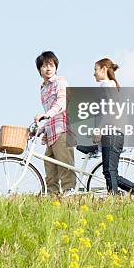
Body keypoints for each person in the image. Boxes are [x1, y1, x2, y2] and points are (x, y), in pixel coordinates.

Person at [93, 58, 134, 195]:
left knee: (110, 171)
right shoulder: (110, 85)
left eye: (95, 69)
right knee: (110, 171)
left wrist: (100, 130)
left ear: (103, 69)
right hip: (113, 132)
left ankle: (116, 199)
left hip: (112, 132)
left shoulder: (107, 85)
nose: (94, 73)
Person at [34, 51, 77, 196]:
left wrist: (47, 114)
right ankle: (52, 195)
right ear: (39, 69)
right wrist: (38, 130)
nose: (48, 68)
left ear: (56, 67)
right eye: (44, 66)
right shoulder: (43, 89)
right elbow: (48, 114)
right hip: (51, 133)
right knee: (50, 167)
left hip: (62, 128)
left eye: (51, 65)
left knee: (65, 163)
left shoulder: (60, 82)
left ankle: (69, 192)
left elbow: (62, 102)